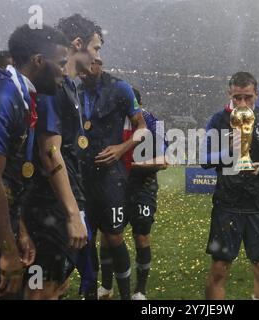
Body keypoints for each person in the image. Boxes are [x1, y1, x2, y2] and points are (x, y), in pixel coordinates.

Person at [0, 24, 68, 299]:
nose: (64, 72)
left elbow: (8, 180)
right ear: (38, 61)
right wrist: (8, 253)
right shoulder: (0, 98)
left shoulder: (19, 96)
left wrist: (19, 233)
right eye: (61, 63)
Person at [22, 14, 102, 300]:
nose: (97, 56)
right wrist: (71, 214)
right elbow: (50, 152)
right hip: (48, 208)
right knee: (42, 290)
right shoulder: (53, 87)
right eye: (96, 48)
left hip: (60, 205)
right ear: (77, 44)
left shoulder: (70, 86)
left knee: (58, 285)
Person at [202, 72, 259, 300]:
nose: (242, 103)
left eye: (247, 97)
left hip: (257, 203)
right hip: (227, 204)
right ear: (230, 93)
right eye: (237, 97)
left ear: (256, 94)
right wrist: (229, 149)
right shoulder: (218, 120)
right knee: (219, 270)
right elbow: (205, 159)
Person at [78, 57, 146, 300]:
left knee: (114, 236)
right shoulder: (73, 90)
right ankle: (90, 293)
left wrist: (121, 148)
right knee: (85, 238)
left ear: (98, 61)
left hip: (111, 178)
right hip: (80, 178)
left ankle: (126, 295)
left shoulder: (120, 88)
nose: (83, 72)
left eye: (89, 65)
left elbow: (142, 127)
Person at [122, 87, 167, 300]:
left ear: (138, 105)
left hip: (143, 186)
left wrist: (131, 165)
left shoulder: (153, 123)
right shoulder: (112, 120)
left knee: (141, 236)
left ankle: (140, 289)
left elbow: (163, 161)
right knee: (110, 235)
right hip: (117, 186)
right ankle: (105, 286)